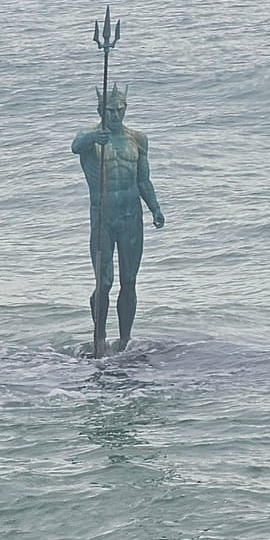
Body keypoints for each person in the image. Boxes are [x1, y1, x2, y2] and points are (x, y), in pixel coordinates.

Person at [72, 83, 165, 353]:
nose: (114, 115)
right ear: (100, 111)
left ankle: (125, 340)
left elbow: (143, 180)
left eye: (119, 110)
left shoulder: (138, 139)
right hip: (103, 217)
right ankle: (99, 338)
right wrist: (94, 137)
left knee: (129, 281)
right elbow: (75, 146)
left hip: (131, 216)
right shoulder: (91, 139)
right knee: (104, 282)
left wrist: (155, 208)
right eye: (109, 110)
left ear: (125, 110)